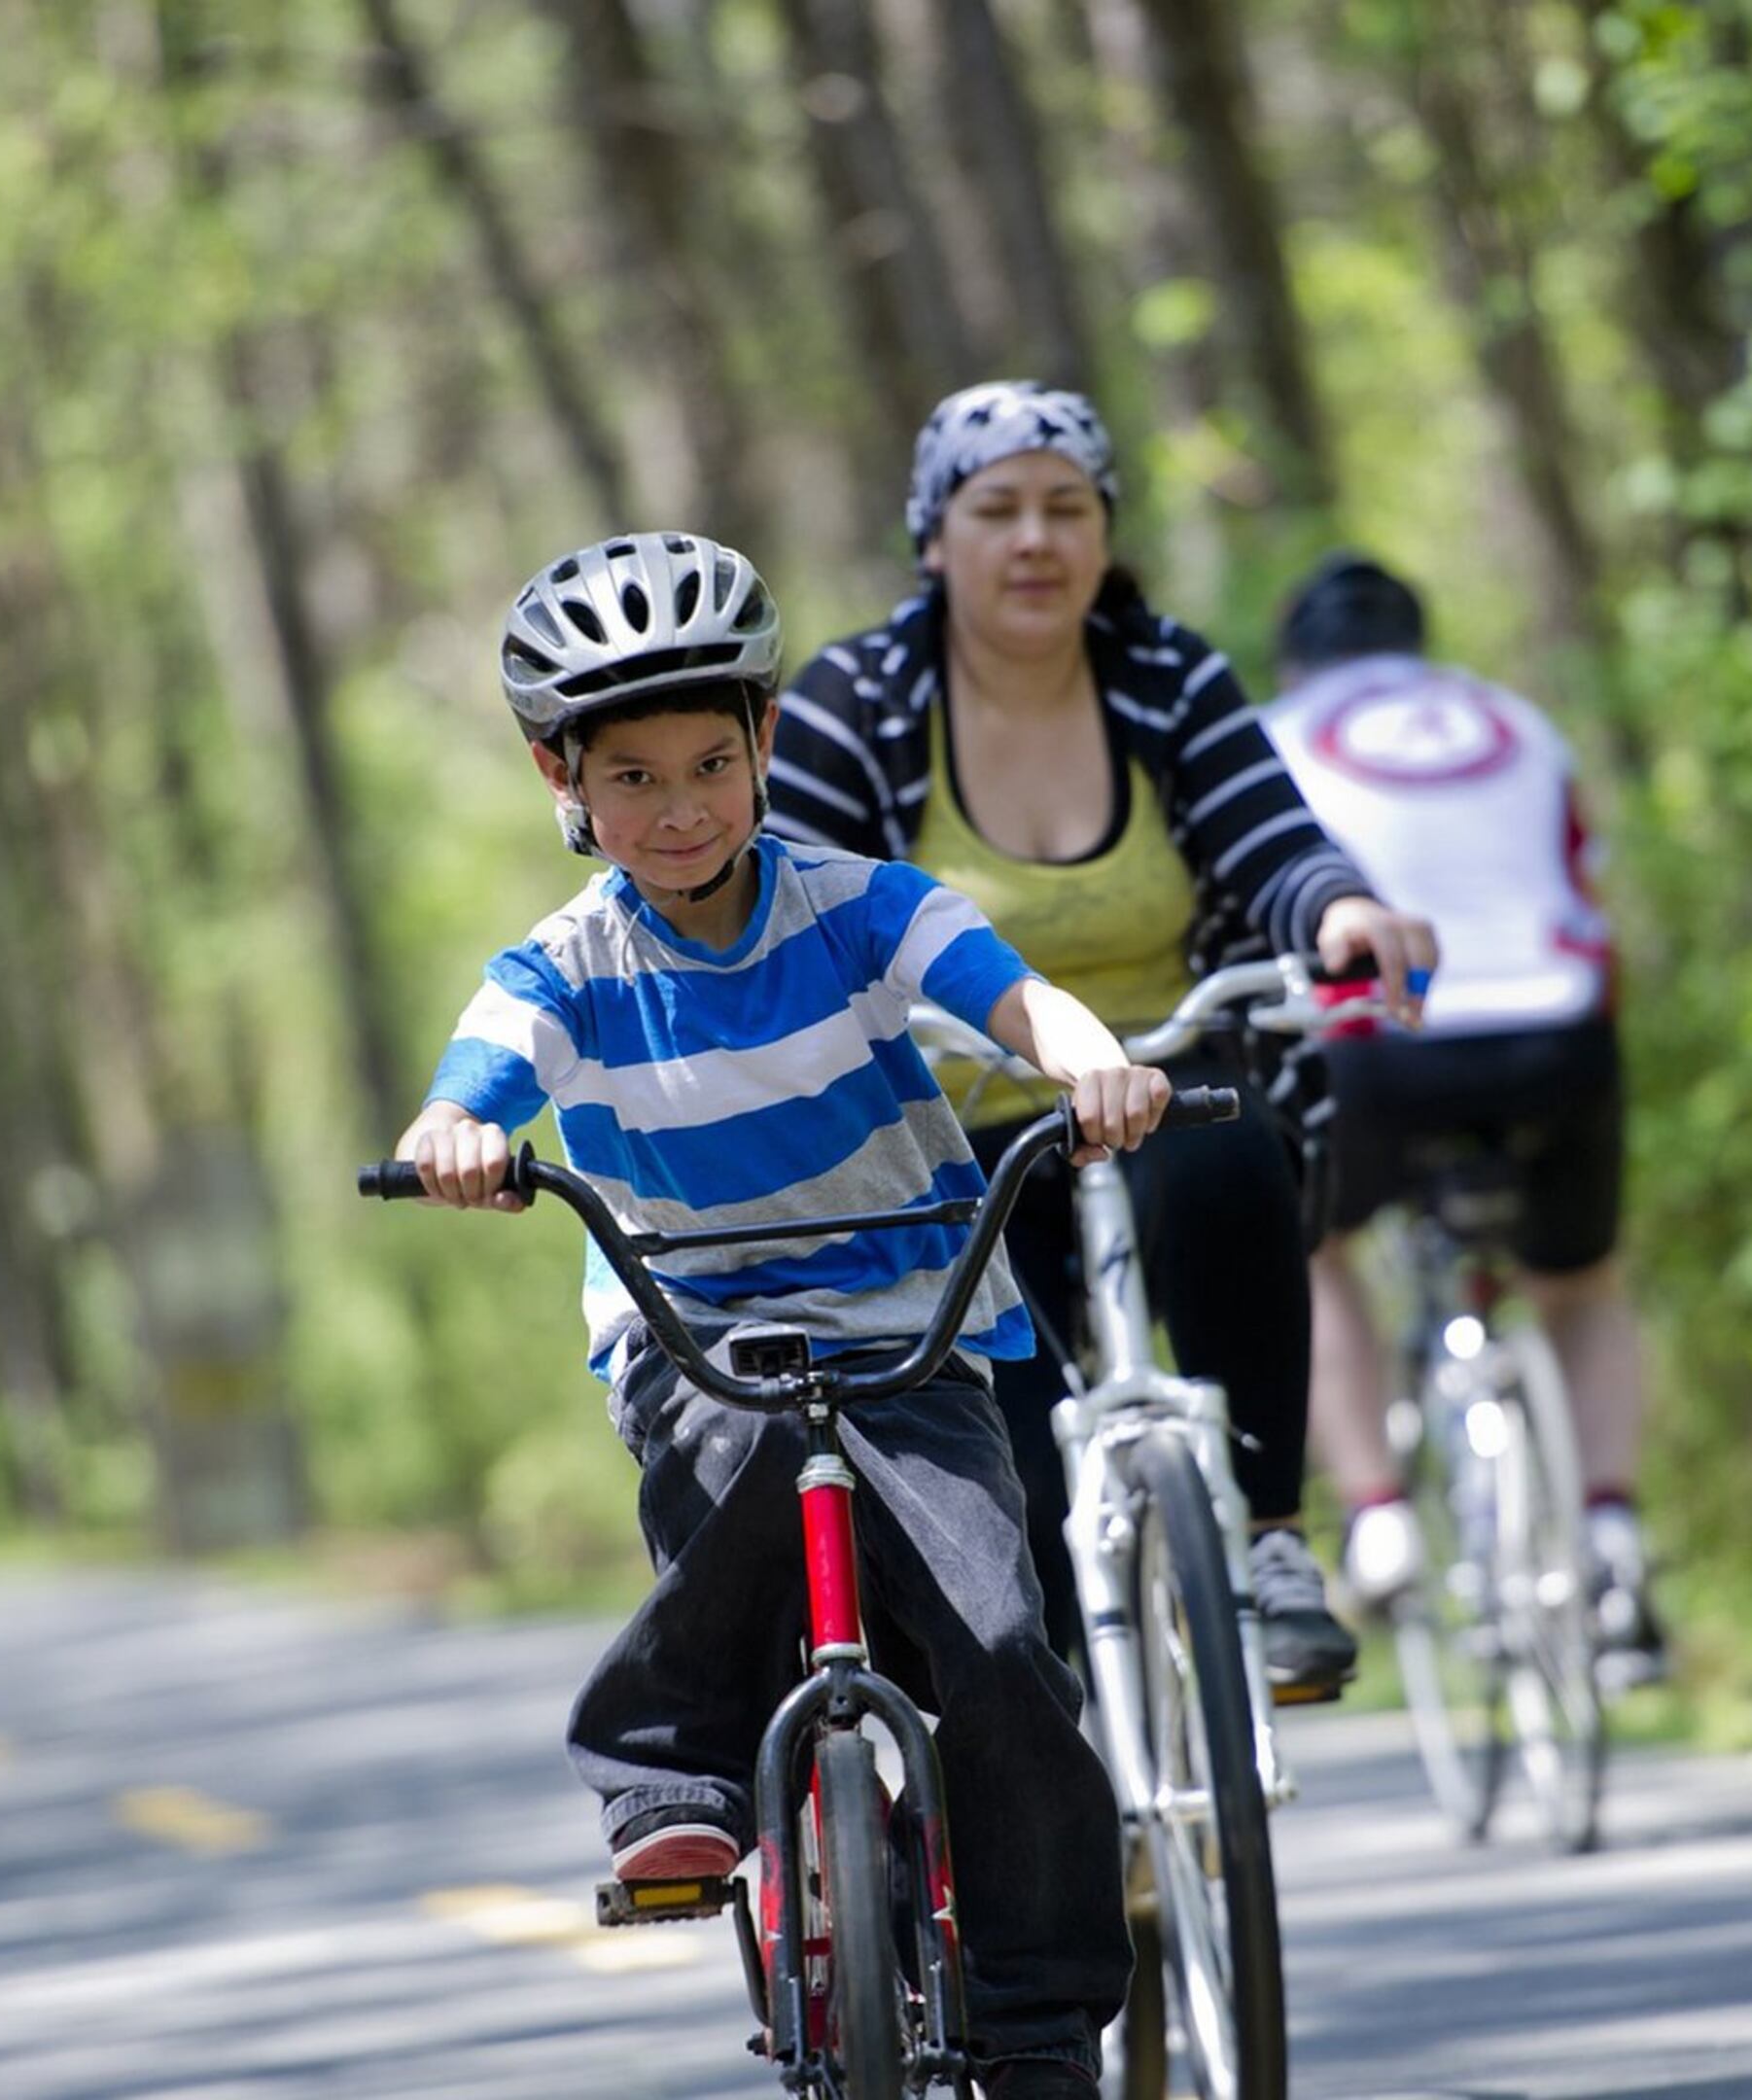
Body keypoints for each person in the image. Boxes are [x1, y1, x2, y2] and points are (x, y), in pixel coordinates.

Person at [399, 531, 1143, 2098]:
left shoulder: (860, 905)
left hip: (907, 1314)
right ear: (560, 777)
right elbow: (480, 1073)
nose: (680, 810)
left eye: (710, 767)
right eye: (633, 779)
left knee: (1004, 1642)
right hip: (697, 1332)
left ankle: (1038, 2025)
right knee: (735, 1456)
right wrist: (452, 1135)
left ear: (766, 742)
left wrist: (1087, 1059)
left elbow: (1004, 989)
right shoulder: (565, 966)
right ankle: (669, 1776)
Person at [768, 379, 1434, 1696]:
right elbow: (791, 908)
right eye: (998, 510)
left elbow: (1269, 837)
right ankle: (1057, 1740)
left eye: (1067, 509)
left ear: (1104, 534)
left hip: (1159, 1086)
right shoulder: (861, 701)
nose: (1035, 540)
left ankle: (1271, 1539)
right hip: (949, 1135)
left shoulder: (1163, 677)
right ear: (934, 539)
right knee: (1012, 1490)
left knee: (1235, 1158)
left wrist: (1341, 908)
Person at [1259, 553, 1664, 1673]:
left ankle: (1377, 1518)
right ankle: (1614, 1535)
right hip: (1555, 1033)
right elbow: (1584, 888)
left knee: (1316, 1252)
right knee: (1580, 1285)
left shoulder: (1275, 735)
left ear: (1298, 659)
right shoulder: (1518, 723)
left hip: (1380, 1040)